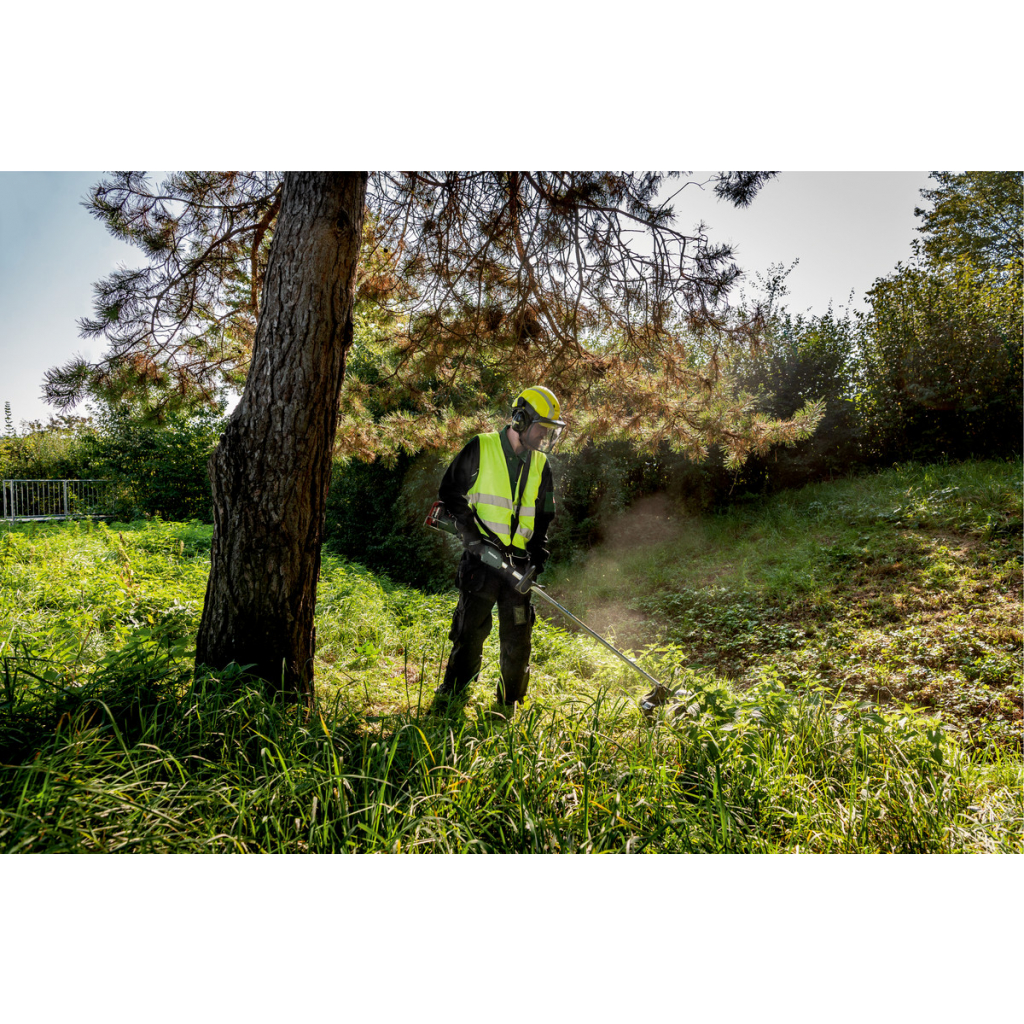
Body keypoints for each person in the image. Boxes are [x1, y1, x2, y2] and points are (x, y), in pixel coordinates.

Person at [433, 386, 565, 716]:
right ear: (521, 419)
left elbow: (544, 515)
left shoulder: (541, 464)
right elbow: (450, 491)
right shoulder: (482, 446)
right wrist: (471, 535)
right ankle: (453, 695)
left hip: (518, 566)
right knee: (470, 631)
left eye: (549, 430)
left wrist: (537, 556)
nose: (544, 436)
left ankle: (509, 703)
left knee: (518, 638)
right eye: (541, 427)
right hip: (481, 561)